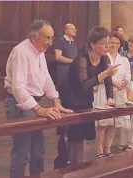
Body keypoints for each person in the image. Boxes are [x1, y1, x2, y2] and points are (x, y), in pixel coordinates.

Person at [3, 19, 73, 178]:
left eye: (51, 38)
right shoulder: (21, 52)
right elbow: (18, 88)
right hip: (19, 104)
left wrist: (56, 100)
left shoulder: (39, 51)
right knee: (22, 153)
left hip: (35, 104)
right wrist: (40, 110)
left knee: (38, 152)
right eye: (47, 38)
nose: (50, 42)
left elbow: (46, 79)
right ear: (34, 37)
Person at [61, 26, 120, 165]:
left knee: (83, 137)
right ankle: (71, 168)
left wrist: (110, 98)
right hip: (72, 102)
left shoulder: (104, 59)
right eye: (104, 44)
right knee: (75, 139)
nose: (107, 47)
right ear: (93, 45)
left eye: (108, 43)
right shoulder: (81, 59)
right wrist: (104, 74)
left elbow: (108, 81)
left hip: (86, 101)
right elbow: (83, 86)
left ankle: (79, 168)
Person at [94, 31, 131, 158]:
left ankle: (107, 148)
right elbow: (100, 76)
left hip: (119, 94)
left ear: (120, 45)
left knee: (113, 123)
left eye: (116, 43)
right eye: (111, 43)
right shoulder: (103, 57)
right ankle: (99, 150)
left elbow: (128, 77)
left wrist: (122, 84)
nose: (114, 45)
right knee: (103, 123)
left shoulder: (124, 59)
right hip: (104, 91)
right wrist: (114, 84)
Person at [53, 23, 78, 169]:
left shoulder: (73, 42)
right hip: (63, 74)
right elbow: (58, 57)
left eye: (75, 29)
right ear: (65, 29)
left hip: (71, 74)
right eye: (72, 28)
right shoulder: (61, 41)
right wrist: (74, 62)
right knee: (63, 98)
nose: (75, 30)